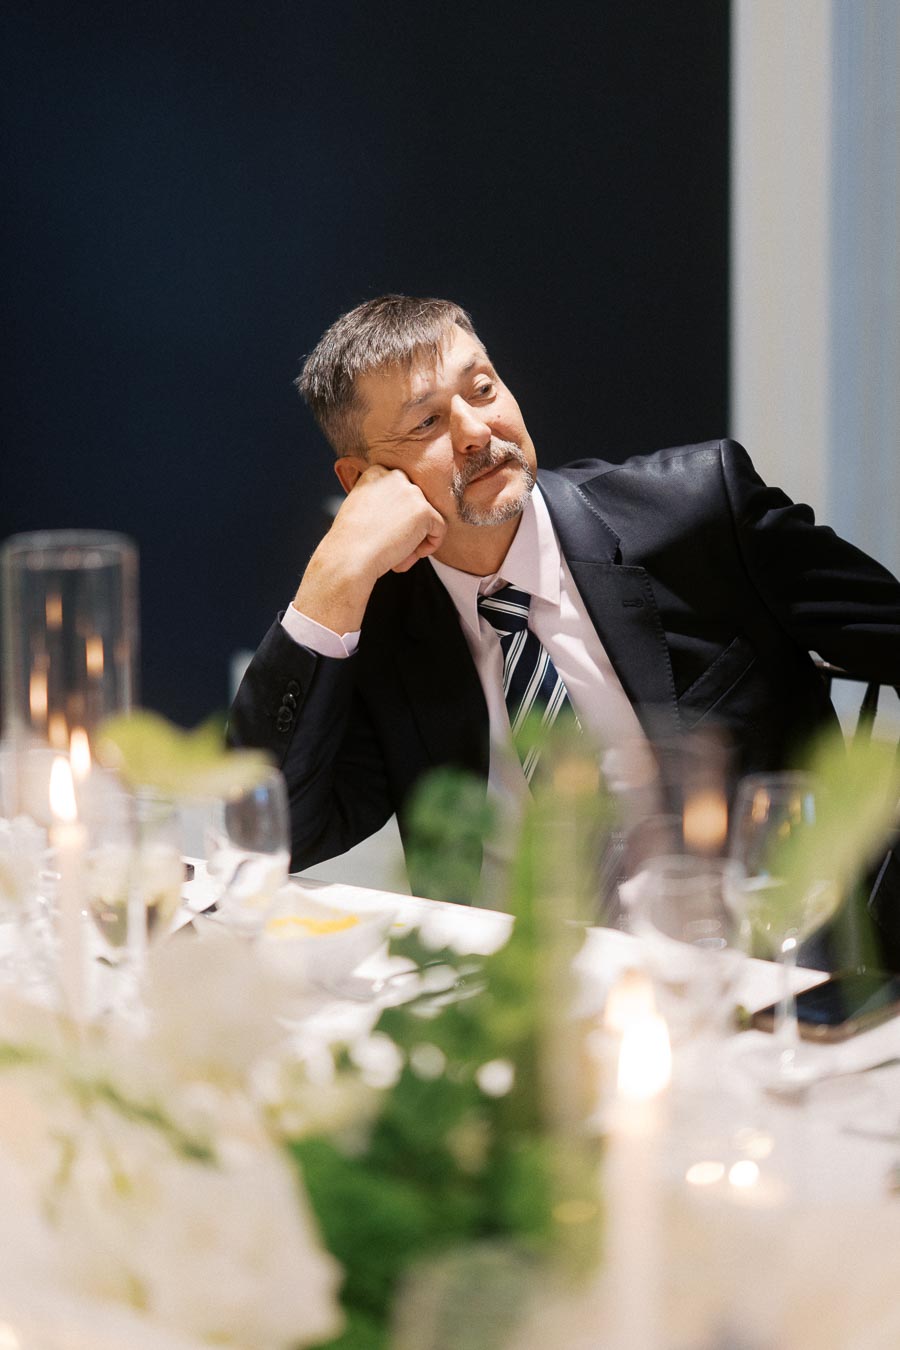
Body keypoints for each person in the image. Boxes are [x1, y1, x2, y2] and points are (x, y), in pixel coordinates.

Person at [228, 295, 900, 960]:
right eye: (426, 421)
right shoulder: (380, 623)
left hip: (746, 973)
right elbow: (270, 840)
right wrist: (333, 577)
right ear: (362, 481)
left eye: (482, 388)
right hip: (513, 994)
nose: (475, 431)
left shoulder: (699, 513)